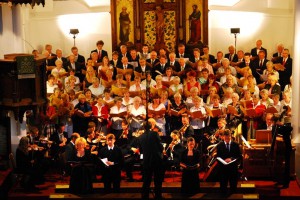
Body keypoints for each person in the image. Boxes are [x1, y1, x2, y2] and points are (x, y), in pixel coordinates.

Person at [139, 121, 164, 199]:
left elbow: (141, 150)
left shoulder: (141, 137)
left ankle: (144, 196)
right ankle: (158, 196)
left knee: (146, 180)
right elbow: (160, 147)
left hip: (146, 160)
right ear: (151, 127)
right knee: (157, 179)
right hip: (156, 159)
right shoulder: (155, 134)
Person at [216, 130, 242, 194]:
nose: (227, 139)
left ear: (231, 136)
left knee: (233, 188)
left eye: (228, 137)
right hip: (223, 169)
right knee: (223, 187)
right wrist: (223, 160)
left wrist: (231, 158)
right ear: (223, 137)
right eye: (225, 138)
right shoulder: (219, 145)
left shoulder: (235, 145)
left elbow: (239, 156)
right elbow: (218, 156)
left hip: (233, 168)